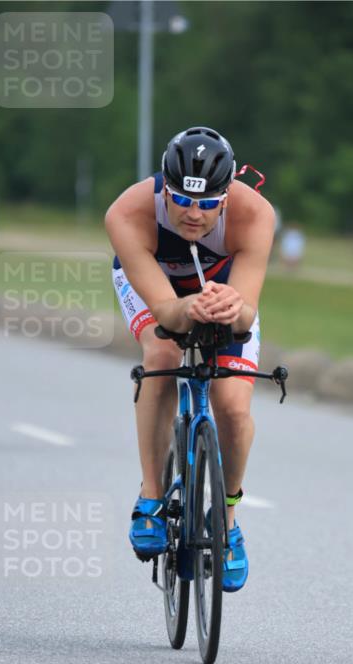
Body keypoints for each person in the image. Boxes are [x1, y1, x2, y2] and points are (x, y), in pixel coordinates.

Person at [105, 126, 275, 592]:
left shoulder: (254, 214)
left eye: (206, 203)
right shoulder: (128, 212)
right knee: (162, 352)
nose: (193, 213)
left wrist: (230, 310)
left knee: (234, 410)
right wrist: (186, 310)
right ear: (164, 186)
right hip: (155, 288)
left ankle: (228, 521)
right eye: (181, 199)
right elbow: (165, 312)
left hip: (222, 291)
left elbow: (245, 314)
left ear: (226, 195)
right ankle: (152, 497)